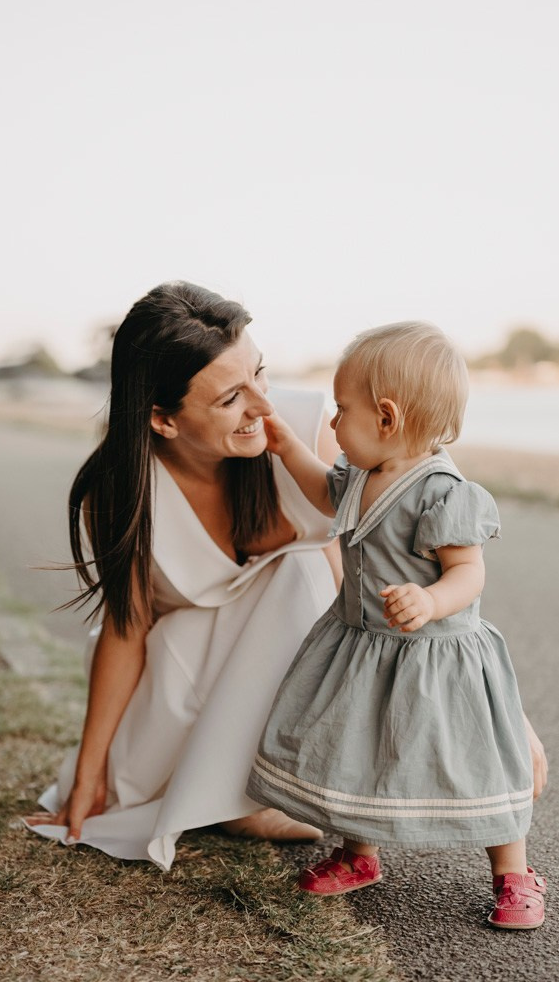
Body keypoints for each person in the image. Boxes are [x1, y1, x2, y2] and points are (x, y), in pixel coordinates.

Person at [24, 281, 341, 870]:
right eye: (231, 399)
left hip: (304, 664)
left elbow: (383, 580)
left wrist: (486, 708)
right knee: (121, 787)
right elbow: (126, 629)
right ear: (163, 420)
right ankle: (229, 795)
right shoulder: (122, 490)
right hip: (185, 675)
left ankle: (269, 783)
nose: (264, 407)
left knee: (306, 567)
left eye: (261, 374)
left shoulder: (307, 430)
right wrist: (89, 773)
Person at [247, 321, 549, 929]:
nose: (333, 423)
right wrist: (288, 450)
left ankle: (513, 872)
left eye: (342, 410)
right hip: (362, 646)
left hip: (438, 655)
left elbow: (469, 573)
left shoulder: (443, 492)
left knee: (477, 763)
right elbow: (327, 497)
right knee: (355, 748)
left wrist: (432, 600)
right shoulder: (362, 473)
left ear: (386, 417)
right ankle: (359, 854)